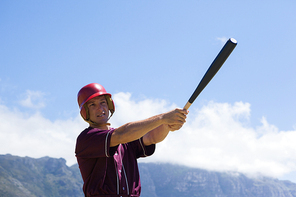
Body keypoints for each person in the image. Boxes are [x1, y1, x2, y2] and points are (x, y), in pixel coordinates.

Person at [75, 83, 188, 197]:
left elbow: (151, 137)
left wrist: (167, 125)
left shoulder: (126, 137)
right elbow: (121, 134)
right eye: (92, 105)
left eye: (103, 102)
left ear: (109, 105)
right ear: (85, 112)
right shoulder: (87, 138)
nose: (100, 108)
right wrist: (163, 118)